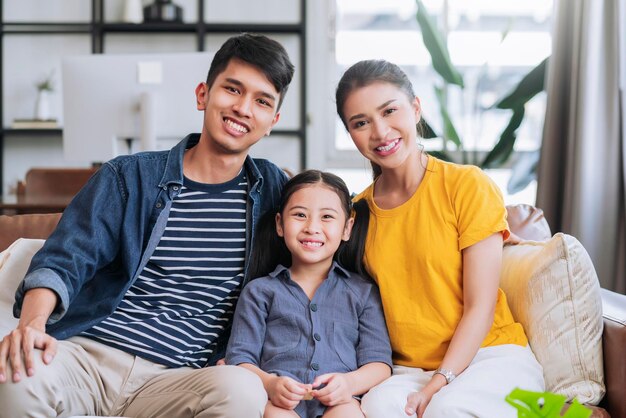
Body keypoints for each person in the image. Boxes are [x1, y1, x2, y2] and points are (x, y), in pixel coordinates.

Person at [0, 33, 295, 418]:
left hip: (180, 378)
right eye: (232, 89)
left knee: (241, 391)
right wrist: (32, 326)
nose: (242, 108)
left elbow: (323, 243)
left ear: (272, 121)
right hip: (89, 356)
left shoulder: (275, 192)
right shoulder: (130, 176)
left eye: (261, 101)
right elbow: (65, 258)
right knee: (18, 376)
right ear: (202, 94)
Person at [335, 60, 545, 418]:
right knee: (378, 407)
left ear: (416, 108)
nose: (380, 131)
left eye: (389, 111)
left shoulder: (466, 185)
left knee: (445, 410)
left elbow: (479, 306)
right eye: (360, 123)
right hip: (409, 371)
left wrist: (440, 382)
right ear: (351, 133)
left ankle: (548, 409)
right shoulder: (354, 214)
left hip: (487, 355)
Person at [225, 170, 392, 418]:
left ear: (347, 228)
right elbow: (239, 360)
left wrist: (349, 384)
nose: (312, 227)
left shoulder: (363, 292)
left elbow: (379, 364)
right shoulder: (259, 292)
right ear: (280, 224)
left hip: (339, 403)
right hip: (279, 403)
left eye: (327, 217)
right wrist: (270, 384)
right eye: (300, 215)